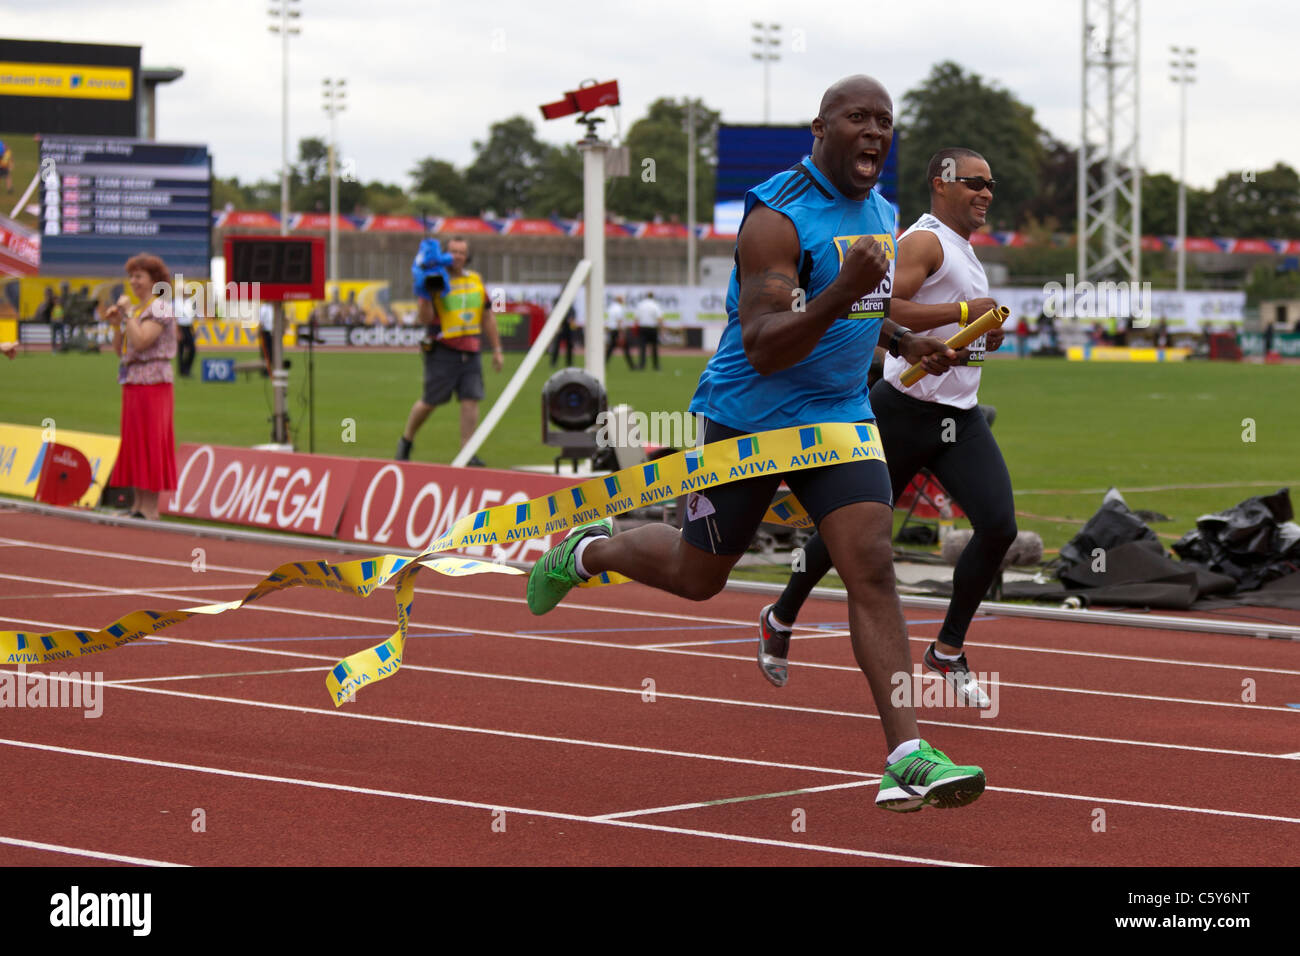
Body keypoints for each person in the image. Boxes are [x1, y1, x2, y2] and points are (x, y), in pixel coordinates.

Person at [525, 75, 986, 813]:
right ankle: (592, 550)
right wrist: (840, 296)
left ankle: (907, 754)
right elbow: (766, 344)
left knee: (871, 566)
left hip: (838, 417)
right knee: (697, 575)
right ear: (820, 128)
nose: (875, 131)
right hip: (751, 421)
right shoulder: (775, 216)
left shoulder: (880, 207)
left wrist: (905, 340)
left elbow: (859, 308)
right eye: (858, 118)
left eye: (885, 122)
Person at [759, 147, 1015, 710]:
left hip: (959, 416)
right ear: (940, 184)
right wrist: (963, 314)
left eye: (992, 184)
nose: (986, 193)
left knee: (998, 527)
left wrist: (982, 331)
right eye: (975, 182)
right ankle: (780, 615)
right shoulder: (923, 240)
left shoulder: (964, 250)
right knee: (843, 532)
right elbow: (882, 307)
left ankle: (947, 651)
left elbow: (960, 316)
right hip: (901, 409)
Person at [396, 236, 504, 465]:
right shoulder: (435, 280)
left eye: (462, 252)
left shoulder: (476, 280)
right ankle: (406, 440)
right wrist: (425, 297)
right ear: (445, 254)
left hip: (471, 348)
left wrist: (496, 348)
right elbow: (425, 318)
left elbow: (487, 316)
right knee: (430, 401)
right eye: (453, 251)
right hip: (442, 349)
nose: (457, 256)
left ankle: (467, 451)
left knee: (471, 399)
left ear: (467, 256)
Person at [102, 253, 178, 520]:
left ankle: (150, 508)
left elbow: (144, 340)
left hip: (153, 382)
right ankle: (137, 505)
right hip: (134, 380)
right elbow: (122, 351)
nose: (133, 282)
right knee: (136, 442)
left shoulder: (160, 308)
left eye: (139, 276)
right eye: (131, 276)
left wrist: (127, 315)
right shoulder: (138, 310)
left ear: (154, 280)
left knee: (151, 441)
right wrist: (117, 326)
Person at [605, 294, 636, 369]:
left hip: (612, 330)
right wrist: (621, 332)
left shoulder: (611, 308)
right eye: (622, 300)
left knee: (611, 348)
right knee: (625, 348)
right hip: (617, 330)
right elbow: (619, 321)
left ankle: (603, 363)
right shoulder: (619, 308)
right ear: (620, 300)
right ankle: (632, 365)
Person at [634, 291, 664, 370]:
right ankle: (656, 365)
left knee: (642, 347)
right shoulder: (655, 305)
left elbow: (636, 318)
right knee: (654, 347)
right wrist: (661, 329)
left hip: (643, 328)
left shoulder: (641, 305)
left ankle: (642, 365)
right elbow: (660, 318)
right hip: (652, 328)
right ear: (653, 297)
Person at [174, 284, 198, 378]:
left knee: (192, 349)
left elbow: (190, 316)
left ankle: (187, 369)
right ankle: (182, 371)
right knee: (181, 350)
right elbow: (175, 317)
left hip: (188, 327)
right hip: (181, 327)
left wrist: (192, 329)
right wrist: (178, 331)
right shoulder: (176, 302)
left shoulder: (189, 301)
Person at [549, 303, 577, 367]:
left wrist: (571, 319)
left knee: (569, 346)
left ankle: (569, 362)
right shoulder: (559, 306)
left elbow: (573, 316)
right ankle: (553, 362)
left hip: (569, 328)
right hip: (561, 327)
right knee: (556, 346)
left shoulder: (571, 307)